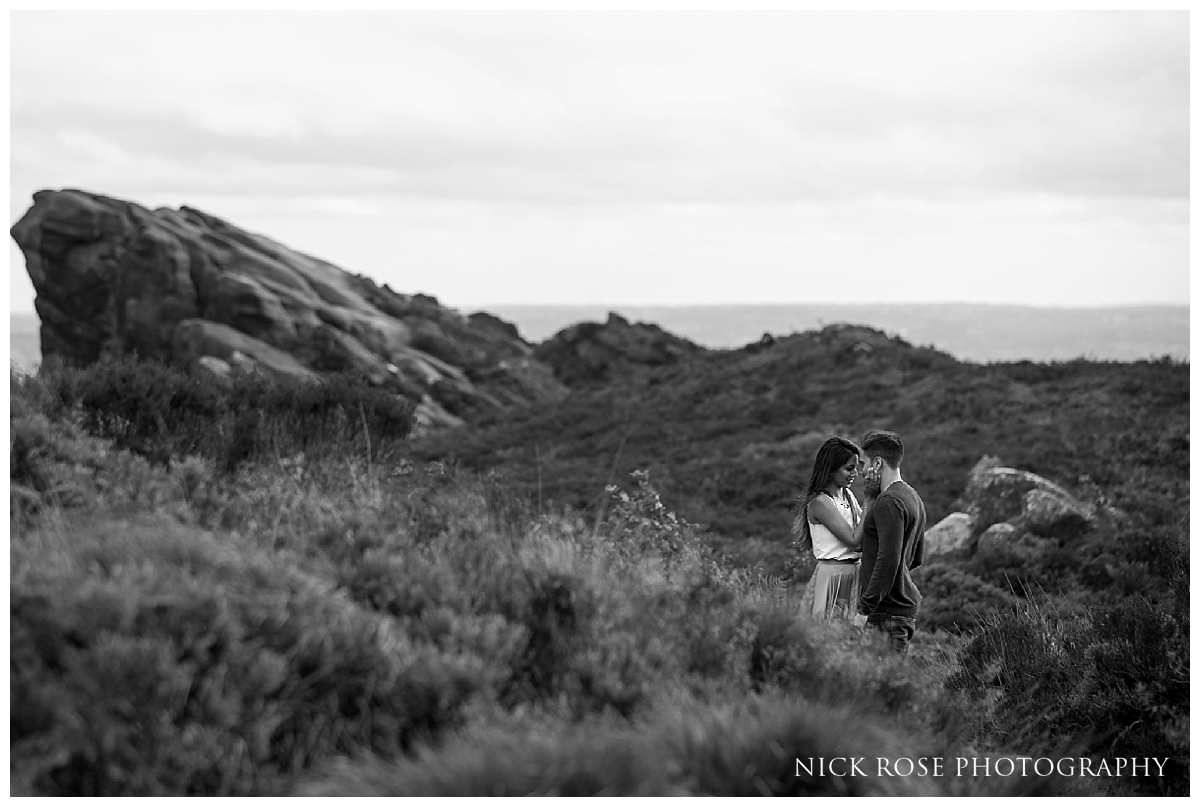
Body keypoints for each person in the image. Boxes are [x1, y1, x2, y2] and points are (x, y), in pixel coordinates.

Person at [855, 430, 927, 656]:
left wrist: (864, 609)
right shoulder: (912, 497)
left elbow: (888, 559)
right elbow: (916, 558)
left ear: (877, 463)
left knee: (876, 688)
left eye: (863, 464)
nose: (861, 472)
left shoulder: (888, 502)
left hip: (885, 613)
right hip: (900, 611)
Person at [794, 437, 865, 621]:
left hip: (854, 572)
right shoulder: (820, 502)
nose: (855, 474)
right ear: (832, 469)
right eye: (849, 468)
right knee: (831, 632)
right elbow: (854, 541)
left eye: (856, 468)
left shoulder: (847, 495)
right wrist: (871, 499)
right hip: (834, 575)